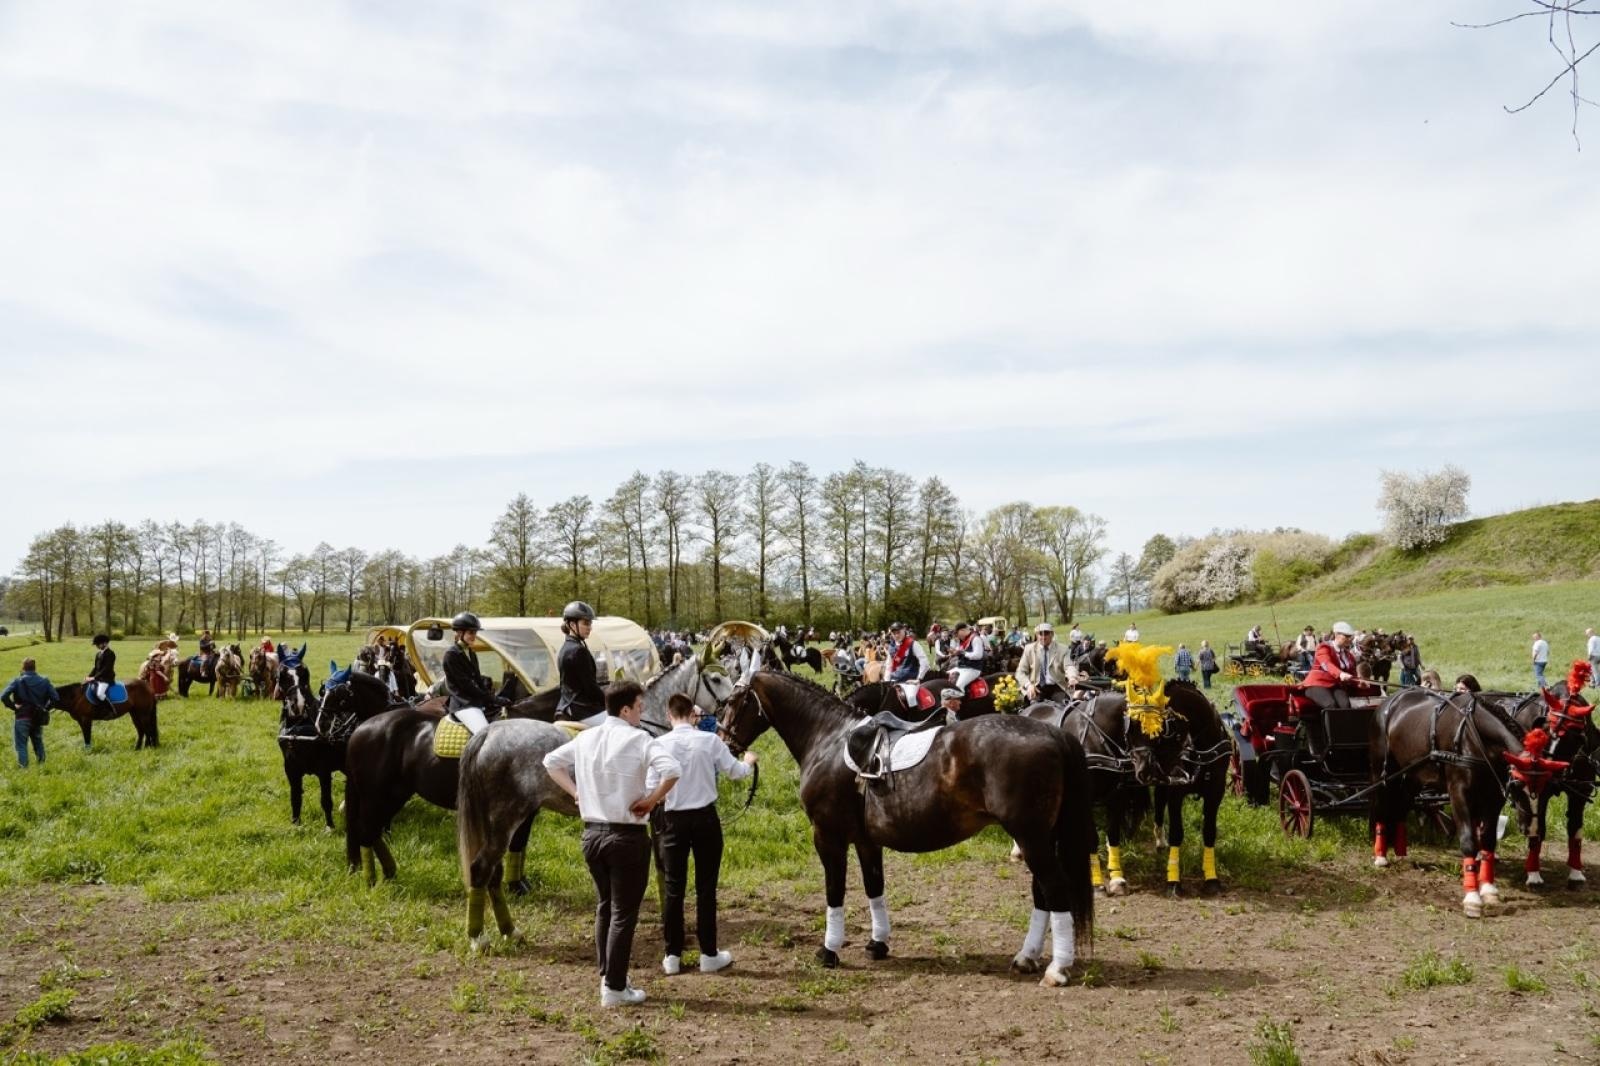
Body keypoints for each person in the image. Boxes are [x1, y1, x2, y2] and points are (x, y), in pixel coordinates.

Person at [543, 681, 681, 1008]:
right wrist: (650, 801)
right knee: (623, 913)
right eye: (639, 707)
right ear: (625, 710)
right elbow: (672, 770)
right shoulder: (638, 738)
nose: (642, 712)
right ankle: (615, 988)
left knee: (605, 905)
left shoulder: (586, 737)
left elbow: (550, 761)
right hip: (627, 836)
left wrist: (576, 792)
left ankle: (608, 976)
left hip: (591, 835)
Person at [650, 692, 757, 977]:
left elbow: (652, 787)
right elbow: (735, 772)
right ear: (692, 714)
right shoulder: (709, 741)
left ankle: (672, 955)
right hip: (705, 818)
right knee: (706, 888)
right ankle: (708, 953)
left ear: (668, 715)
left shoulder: (658, 744)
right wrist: (749, 761)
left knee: (674, 888)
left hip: (672, 820)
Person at [1300, 621, 1360, 758]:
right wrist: (1340, 674)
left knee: (1345, 705)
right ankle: (1330, 743)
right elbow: (1326, 665)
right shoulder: (1324, 648)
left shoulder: (1349, 655)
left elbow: (1353, 675)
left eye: (1351, 636)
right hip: (1316, 684)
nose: (1350, 639)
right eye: (1346, 636)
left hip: (1335, 685)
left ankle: (1346, 740)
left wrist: (1359, 683)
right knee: (1330, 705)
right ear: (1337, 635)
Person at [442, 612, 504, 734]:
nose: (474, 636)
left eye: (475, 633)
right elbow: (465, 684)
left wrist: (493, 698)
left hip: (476, 701)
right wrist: (489, 697)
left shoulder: (471, 653)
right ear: (460, 633)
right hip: (463, 704)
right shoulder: (451, 655)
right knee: (485, 733)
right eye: (471, 632)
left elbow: (478, 680)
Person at [557, 601, 608, 726]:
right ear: (572, 625)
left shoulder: (566, 647)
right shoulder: (578, 650)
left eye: (590, 623)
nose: (589, 627)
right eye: (585, 623)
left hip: (567, 704)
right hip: (581, 708)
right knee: (622, 721)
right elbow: (590, 687)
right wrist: (609, 700)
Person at [2, 658, 58, 768]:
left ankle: (24, 769)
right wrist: (45, 708)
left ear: (23, 668)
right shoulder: (45, 680)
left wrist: (14, 706)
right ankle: (42, 766)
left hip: (22, 716)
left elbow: (3, 696)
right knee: (38, 742)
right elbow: (55, 698)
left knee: (21, 745)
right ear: (35, 667)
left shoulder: (17, 681)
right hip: (38, 717)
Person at [1014, 622, 1072, 704]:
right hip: (1036, 687)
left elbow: (1069, 666)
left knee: (1067, 707)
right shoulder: (1029, 649)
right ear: (1037, 635)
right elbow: (1020, 672)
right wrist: (1028, 685)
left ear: (1052, 634)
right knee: (1032, 708)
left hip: (1056, 687)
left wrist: (1072, 677)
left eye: (1047, 633)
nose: (1043, 637)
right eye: (1040, 634)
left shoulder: (1063, 649)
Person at [884, 622, 931, 708]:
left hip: (909, 681)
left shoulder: (913, 644)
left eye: (898, 632)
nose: (896, 635)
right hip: (894, 680)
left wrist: (919, 679)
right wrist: (886, 681)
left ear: (904, 630)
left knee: (911, 697)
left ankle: (914, 719)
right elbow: (888, 666)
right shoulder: (891, 647)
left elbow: (925, 662)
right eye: (894, 633)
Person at [947, 621, 987, 693]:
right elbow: (962, 652)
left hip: (973, 669)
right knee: (945, 678)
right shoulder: (964, 640)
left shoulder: (975, 639)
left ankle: (960, 703)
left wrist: (962, 652)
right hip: (962, 667)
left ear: (963, 630)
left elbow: (978, 655)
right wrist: (955, 653)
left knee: (958, 686)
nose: (956, 636)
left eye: (957, 633)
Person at [85, 634, 117, 709]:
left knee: (99, 694)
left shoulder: (110, 654)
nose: (97, 646)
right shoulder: (98, 654)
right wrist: (89, 676)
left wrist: (94, 678)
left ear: (105, 643)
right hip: (99, 677)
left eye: (98, 644)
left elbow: (106, 669)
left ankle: (110, 708)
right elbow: (96, 667)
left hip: (106, 679)